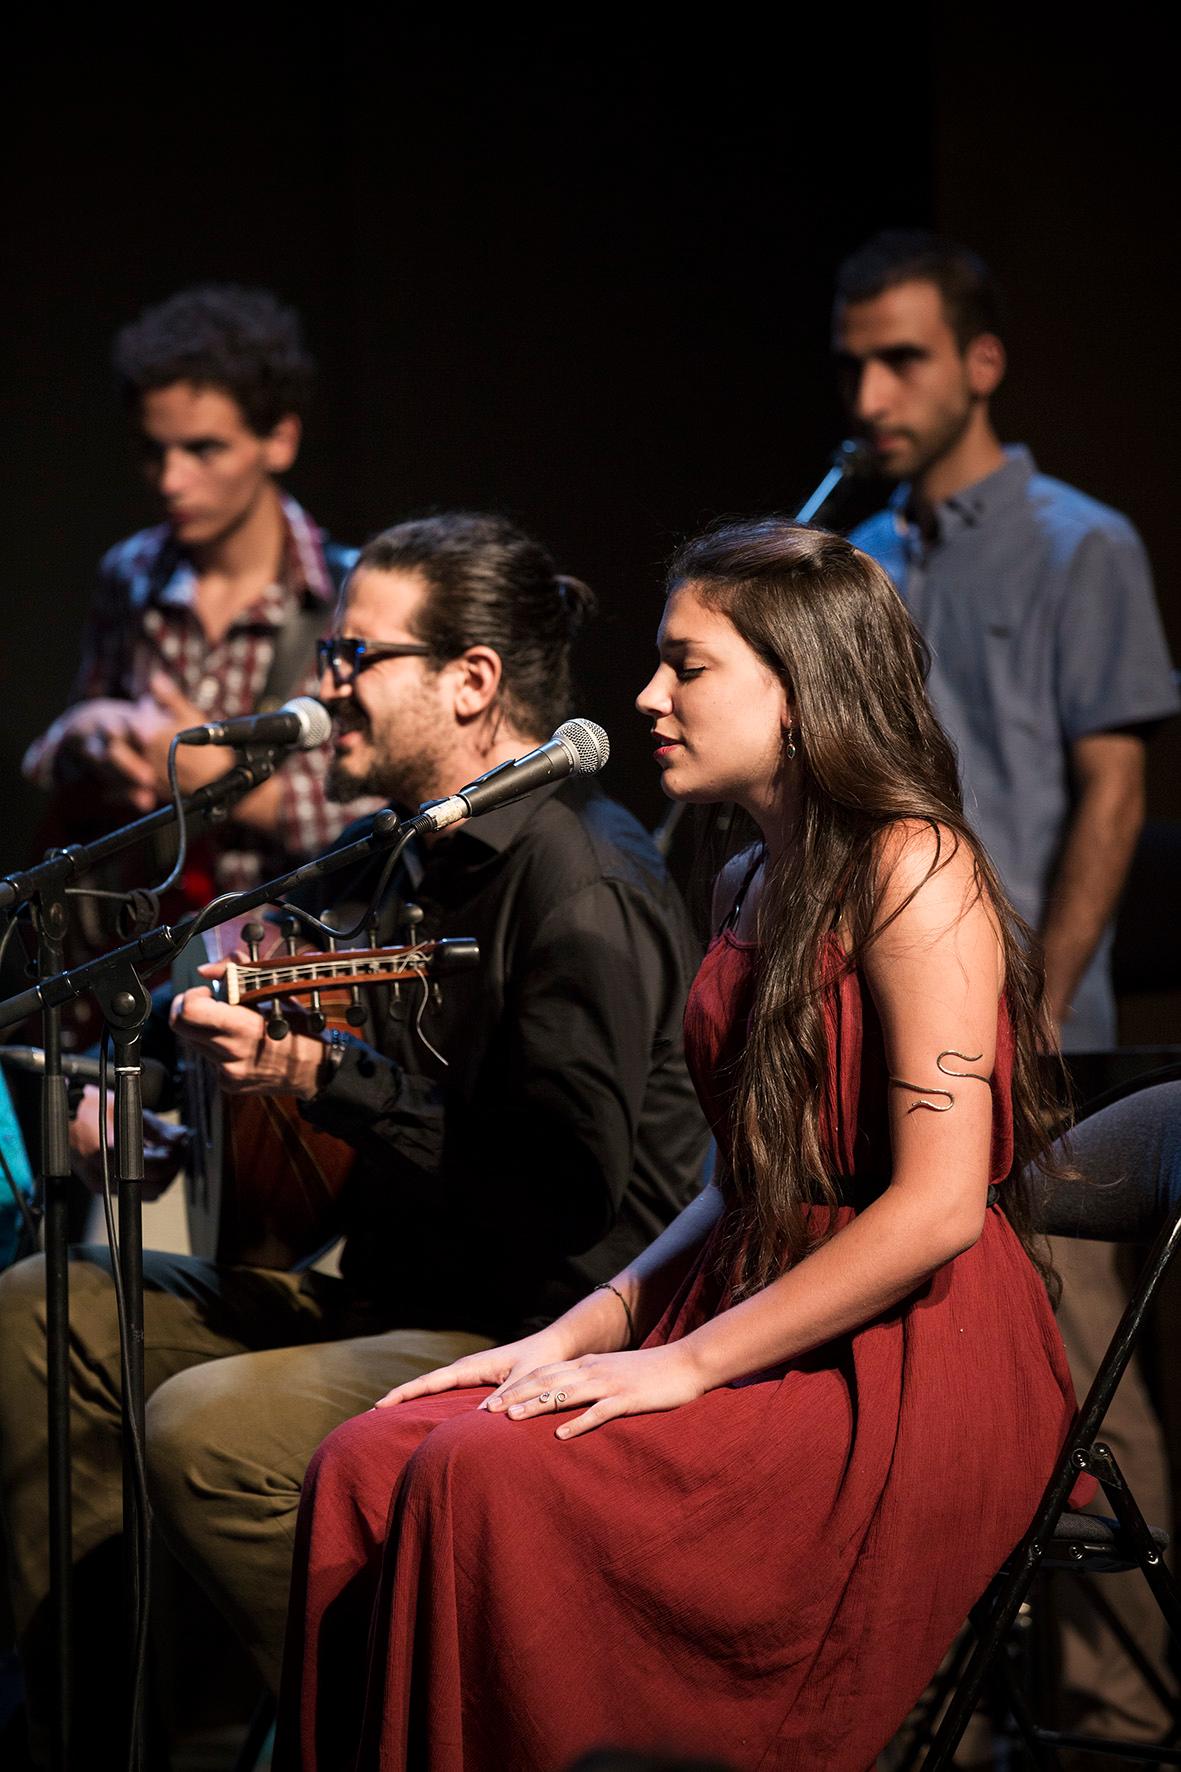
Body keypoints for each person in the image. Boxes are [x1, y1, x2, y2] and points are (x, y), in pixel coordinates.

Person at [274, 520, 1085, 1772]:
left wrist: (685, 1363)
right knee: (364, 1461)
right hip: (749, 1295)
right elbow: (731, 1185)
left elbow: (935, 1209)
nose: (647, 695)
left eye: (686, 665)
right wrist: (569, 1335)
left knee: (481, 1474)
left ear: (798, 685)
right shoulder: (744, 878)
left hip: (900, 1350)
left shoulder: (915, 867)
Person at [0, 513, 707, 1764]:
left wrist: (323, 1079)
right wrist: (147, 1079)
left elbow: (562, 1190)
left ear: (471, 680)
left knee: (205, 1428)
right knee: (42, 1313)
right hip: (388, 1295)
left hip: (533, 1325)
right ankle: (93, 1738)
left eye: (350, 656)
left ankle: (412, 1733)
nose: (322, 686)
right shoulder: (396, 849)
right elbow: (214, 967)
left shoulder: (577, 879)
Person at [834, 230, 1180, 1750]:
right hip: (900, 1035)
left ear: (979, 363)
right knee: (924, 1380)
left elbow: (1113, 788)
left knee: (1081, 1375)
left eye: (901, 358)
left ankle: (1124, 1716)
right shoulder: (863, 553)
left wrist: (1040, 1003)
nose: (870, 393)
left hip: (1038, 1043)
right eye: (854, 362)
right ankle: (938, 1714)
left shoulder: (1078, 541)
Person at [21, 283, 365, 908]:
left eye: (204, 449)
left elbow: (401, 812)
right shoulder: (130, 574)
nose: (171, 481)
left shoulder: (353, 594)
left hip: (298, 942)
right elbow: (50, 767)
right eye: (153, 452)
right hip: (150, 940)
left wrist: (226, 787)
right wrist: (89, 735)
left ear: (280, 440)